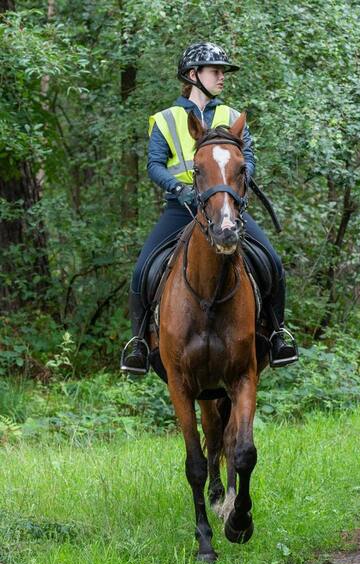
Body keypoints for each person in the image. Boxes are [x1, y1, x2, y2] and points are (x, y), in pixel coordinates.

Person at [120, 42, 298, 374]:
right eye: (215, 71)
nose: (222, 77)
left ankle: (277, 334)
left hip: (225, 208)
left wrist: (232, 189)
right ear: (193, 75)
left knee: (271, 261)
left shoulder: (232, 116)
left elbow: (249, 160)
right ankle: (140, 345)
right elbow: (155, 164)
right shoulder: (165, 119)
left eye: (222, 72)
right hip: (181, 208)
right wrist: (178, 188)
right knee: (142, 269)